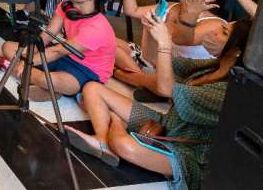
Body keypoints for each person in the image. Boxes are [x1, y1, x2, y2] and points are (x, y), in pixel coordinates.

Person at [69, 15, 251, 187]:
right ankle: (103, 141)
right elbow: (153, 58)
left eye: (224, 33)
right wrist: (150, 29)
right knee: (93, 88)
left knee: (123, 145)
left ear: (236, 51)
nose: (214, 33)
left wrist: (165, 42)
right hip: (165, 125)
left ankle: (115, 122)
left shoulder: (226, 91)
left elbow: (166, 89)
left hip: (185, 153)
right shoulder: (210, 66)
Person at [0, 0, 118, 102]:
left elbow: (57, 51)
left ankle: (8, 65)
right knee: (8, 47)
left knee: (47, 80)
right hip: (65, 55)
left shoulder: (96, 28)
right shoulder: (67, 6)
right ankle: (50, 90)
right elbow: (48, 34)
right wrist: (30, 54)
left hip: (87, 71)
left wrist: (27, 62)